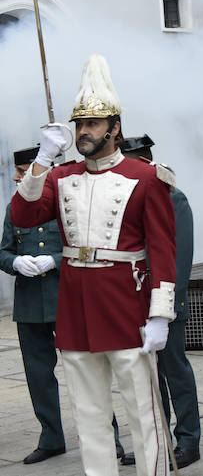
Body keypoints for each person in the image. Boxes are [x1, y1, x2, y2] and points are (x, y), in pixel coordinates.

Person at [10, 54, 176, 476]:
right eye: (79, 125)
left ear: (114, 128)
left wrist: (160, 313)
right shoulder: (60, 175)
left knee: (143, 412)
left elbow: (162, 250)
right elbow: (23, 216)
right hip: (75, 308)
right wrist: (42, 160)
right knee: (90, 415)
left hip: (126, 305)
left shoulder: (147, 177)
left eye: (93, 124)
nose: (83, 132)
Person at [118, 135, 201, 469]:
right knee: (148, 379)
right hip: (135, 304)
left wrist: (166, 306)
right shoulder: (129, 197)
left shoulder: (172, 197)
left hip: (166, 304)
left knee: (175, 373)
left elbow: (177, 259)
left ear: (146, 161)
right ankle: (158, 440)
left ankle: (188, 441)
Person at [0, 146, 66, 464]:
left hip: (66, 301)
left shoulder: (66, 204)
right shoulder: (15, 208)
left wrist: (54, 260)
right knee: (38, 376)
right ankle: (51, 438)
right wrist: (16, 262)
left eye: (23, 171)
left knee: (86, 374)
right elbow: (2, 252)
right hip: (29, 306)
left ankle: (108, 437)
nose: (16, 177)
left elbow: (87, 248)